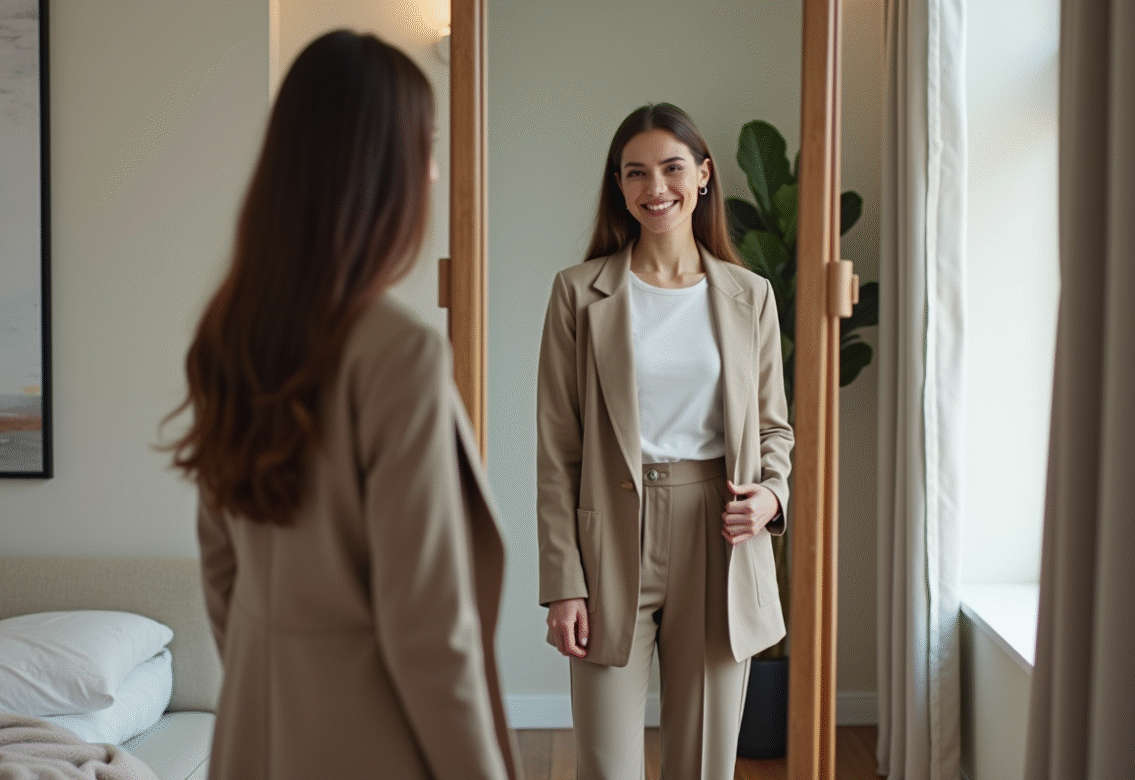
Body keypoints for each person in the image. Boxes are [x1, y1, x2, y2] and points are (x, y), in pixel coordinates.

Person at [164, 31, 520, 780]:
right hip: (375, 745)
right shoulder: (400, 354)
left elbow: (221, 571)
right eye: (423, 147)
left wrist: (280, 679)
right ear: (378, 169)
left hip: (256, 737)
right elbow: (428, 630)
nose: (430, 171)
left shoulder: (231, 332)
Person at [536, 103, 794, 779]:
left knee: (705, 762)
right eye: (637, 173)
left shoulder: (750, 295)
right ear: (619, 187)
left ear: (703, 176)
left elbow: (773, 427)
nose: (657, 187)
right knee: (606, 763)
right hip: (608, 539)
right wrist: (564, 583)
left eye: (673, 168)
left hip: (719, 528)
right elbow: (558, 451)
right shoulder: (577, 295)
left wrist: (772, 496)